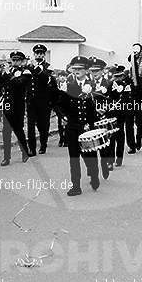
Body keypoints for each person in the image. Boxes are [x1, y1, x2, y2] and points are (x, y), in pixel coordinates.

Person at [52, 56, 100, 196]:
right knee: (74, 157)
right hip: (72, 127)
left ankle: (94, 175)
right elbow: (58, 104)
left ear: (86, 70)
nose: (77, 71)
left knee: (90, 156)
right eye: (75, 69)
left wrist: (93, 123)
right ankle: (76, 186)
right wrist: (64, 117)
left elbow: (99, 104)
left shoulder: (94, 85)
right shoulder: (68, 85)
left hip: (88, 127)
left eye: (80, 69)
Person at [0, 51, 31, 166]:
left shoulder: (25, 72)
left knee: (18, 130)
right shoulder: (8, 72)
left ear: (22, 61)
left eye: (17, 60)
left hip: (18, 106)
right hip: (7, 106)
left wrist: (8, 74)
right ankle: (7, 157)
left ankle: (25, 152)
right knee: (6, 132)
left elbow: (19, 84)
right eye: (13, 60)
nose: (15, 62)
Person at [26, 44, 56, 155]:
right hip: (31, 101)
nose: (39, 55)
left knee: (43, 125)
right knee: (30, 126)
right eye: (37, 53)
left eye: (41, 53)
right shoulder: (29, 67)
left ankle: (43, 144)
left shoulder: (48, 66)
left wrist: (37, 68)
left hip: (43, 101)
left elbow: (46, 80)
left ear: (44, 55)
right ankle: (32, 149)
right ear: (34, 54)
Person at [89, 57, 113, 179]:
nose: (94, 74)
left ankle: (105, 163)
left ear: (102, 71)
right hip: (92, 118)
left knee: (104, 144)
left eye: (97, 71)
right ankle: (93, 170)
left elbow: (115, 100)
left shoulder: (109, 83)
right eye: (92, 71)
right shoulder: (87, 85)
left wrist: (106, 108)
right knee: (91, 145)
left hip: (105, 117)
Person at [106, 65, 129, 167]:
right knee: (117, 138)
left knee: (114, 138)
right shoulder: (124, 86)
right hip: (117, 115)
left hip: (115, 115)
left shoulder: (111, 86)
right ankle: (116, 160)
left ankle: (113, 161)